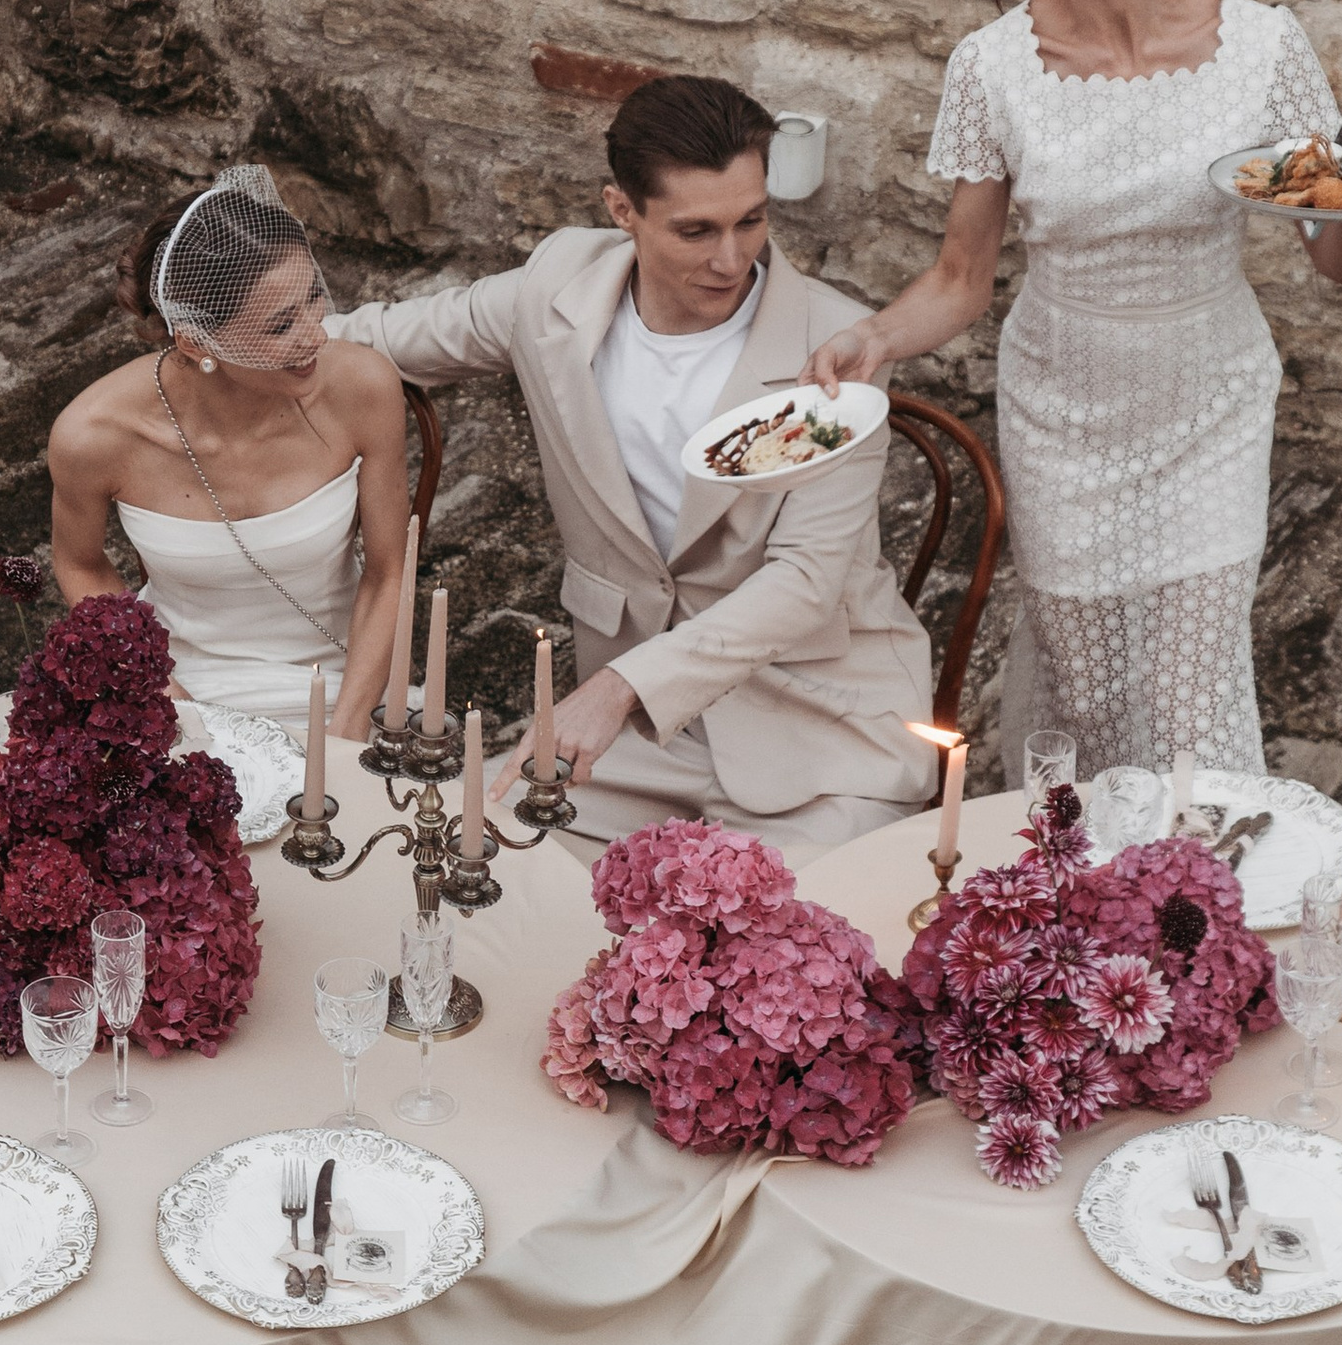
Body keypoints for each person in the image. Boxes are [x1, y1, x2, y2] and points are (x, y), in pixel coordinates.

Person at [806, 0, 1342, 781]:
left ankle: (1200, 878)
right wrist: (873, 337)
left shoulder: (1264, 47)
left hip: (1208, 408)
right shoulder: (992, 66)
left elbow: (1335, 262)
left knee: (1192, 704)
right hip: (1062, 417)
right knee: (1091, 699)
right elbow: (960, 276)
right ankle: (1086, 878)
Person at [330, 75, 936, 853]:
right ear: (622, 211)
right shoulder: (557, 287)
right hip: (639, 748)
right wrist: (220, 345)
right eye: (696, 231)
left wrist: (619, 688)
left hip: (823, 737)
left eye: (751, 221)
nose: (731, 258)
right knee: (467, 864)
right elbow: (371, 340)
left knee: (786, 929)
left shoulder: (838, 346)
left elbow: (807, 581)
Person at [47, 166, 413, 736]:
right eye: (280, 326)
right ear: (197, 340)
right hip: (181, 686)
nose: (316, 335)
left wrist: (345, 733)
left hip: (344, 682)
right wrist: (166, 698)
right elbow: (79, 562)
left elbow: (389, 572)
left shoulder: (365, 388)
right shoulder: (93, 435)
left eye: (313, 296)